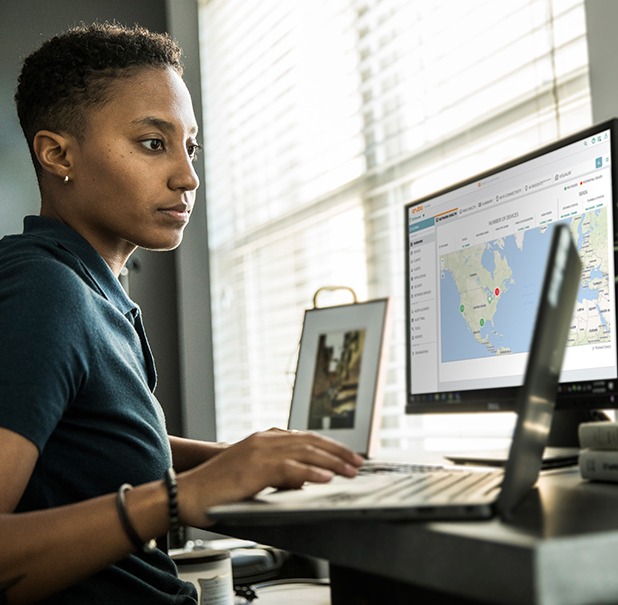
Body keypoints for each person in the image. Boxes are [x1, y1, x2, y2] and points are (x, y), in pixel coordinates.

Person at [0, 22, 362, 604]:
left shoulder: (90, 288)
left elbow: (86, 442)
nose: (187, 177)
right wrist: (176, 497)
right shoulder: (47, 290)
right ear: (57, 153)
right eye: (152, 143)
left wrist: (241, 459)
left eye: (190, 147)